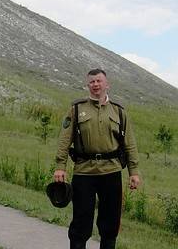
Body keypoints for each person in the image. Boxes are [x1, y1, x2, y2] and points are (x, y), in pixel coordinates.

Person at [54, 69, 140, 249]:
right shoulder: (76, 109)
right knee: (81, 222)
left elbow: (130, 143)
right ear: (88, 85)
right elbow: (64, 140)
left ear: (107, 84)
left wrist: (134, 172)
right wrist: (60, 166)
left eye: (99, 81)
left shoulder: (119, 111)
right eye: (92, 81)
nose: (95, 85)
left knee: (110, 223)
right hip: (84, 172)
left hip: (111, 172)